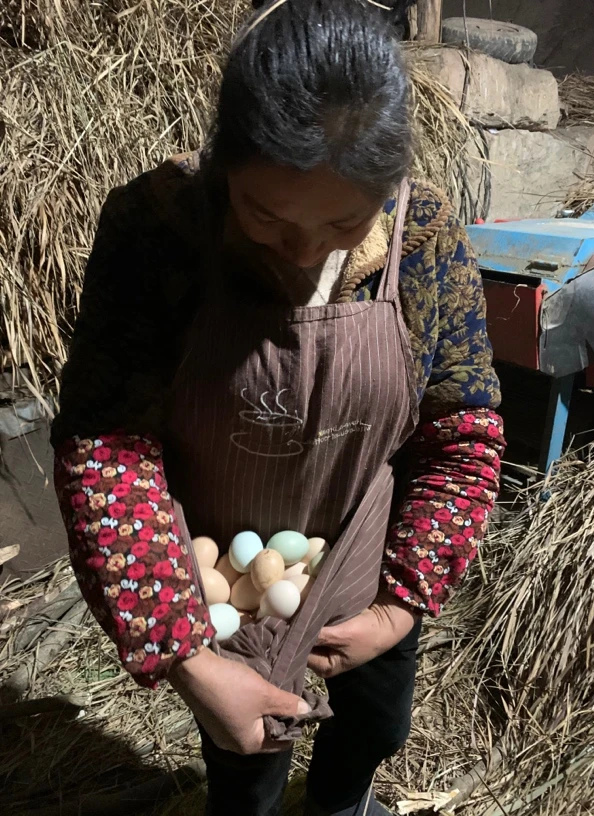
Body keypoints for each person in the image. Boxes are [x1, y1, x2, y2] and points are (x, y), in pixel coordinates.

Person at [52, 1, 505, 814]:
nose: (305, 250)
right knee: (248, 764)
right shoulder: (159, 227)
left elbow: (461, 432)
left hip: (366, 556)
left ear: (389, 188)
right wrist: (186, 653)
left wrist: (399, 605)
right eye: (264, 216)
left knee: (376, 725)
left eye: (345, 221)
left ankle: (342, 803)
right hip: (225, 578)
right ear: (223, 162)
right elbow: (107, 448)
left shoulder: (424, 234)